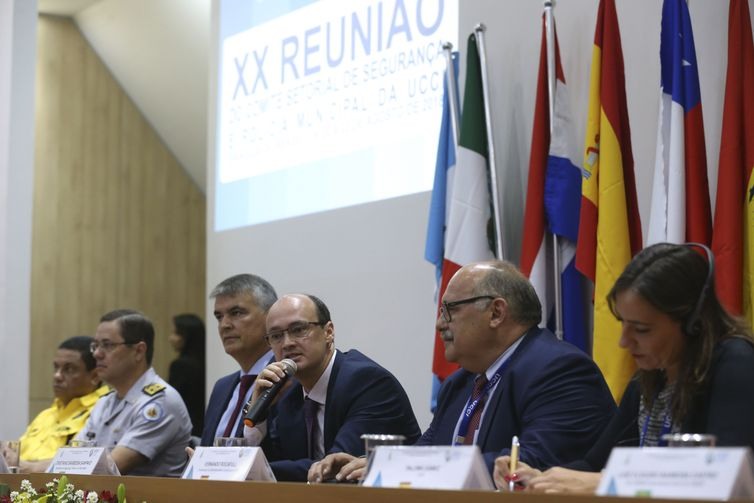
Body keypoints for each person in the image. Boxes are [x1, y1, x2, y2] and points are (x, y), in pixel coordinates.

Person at [308, 261, 616, 483]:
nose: (439, 324)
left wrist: (401, 468)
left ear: (496, 312)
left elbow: (528, 465)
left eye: (449, 310)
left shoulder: (559, 371)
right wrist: (375, 463)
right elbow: (428, 450)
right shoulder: (461, 382)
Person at [492, 243, 754, 494]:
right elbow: (592, 465)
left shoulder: (735, 364)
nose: (624, 342)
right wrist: (537, 479)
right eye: (623, 324)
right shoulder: (649, 377)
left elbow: (723, 478)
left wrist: (604, 482)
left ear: (692, 322)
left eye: (641, 329)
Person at [247, 293, 421, 482]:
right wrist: (260, 415)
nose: (287, 343)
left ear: (328, 332)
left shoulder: (368, 382)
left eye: (298, 330)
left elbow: (333, 468)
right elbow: (276, 462)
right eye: (276, 336)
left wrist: (244, 470)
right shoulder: (288, 391)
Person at [75, 309, 192, 476]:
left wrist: (35, 468)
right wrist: (28, 466)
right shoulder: (104, 402)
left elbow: (109, 469)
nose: (97, 354)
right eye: (95, 346)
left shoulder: (160, 402)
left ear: (138, 351)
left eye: (107, 345)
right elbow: (71, 457)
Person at [201, 273, 278, 446]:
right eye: (219, 317)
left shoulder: (287, 379)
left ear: (271, 317)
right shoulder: (222, 387)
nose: (224, 325)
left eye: (236, 313)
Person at [19, 336, 109, 473]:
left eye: (69, 369)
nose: (57, 376)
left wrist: (26, 466)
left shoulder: (102, 412)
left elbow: (78, 464)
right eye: (56, 368)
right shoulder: (46, 415)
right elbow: (16, 455)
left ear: (95, 376)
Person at [168, 313, 206, 437]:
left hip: (184, 429)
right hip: (202, 427)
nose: (171, 338)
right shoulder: (206, 362)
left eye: (176, 333)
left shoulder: (181, 365)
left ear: (187, 336)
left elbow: (172, 403)